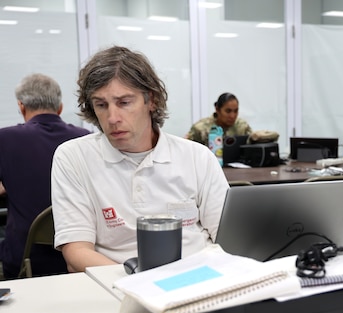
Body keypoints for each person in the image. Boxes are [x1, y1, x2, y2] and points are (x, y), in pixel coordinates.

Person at [51, 46, 229, 273]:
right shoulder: (73, 157)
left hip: (196, 281)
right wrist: (139, 281)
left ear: (151, 100)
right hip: (115, 284)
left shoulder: (197, 157)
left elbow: (227, 239)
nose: (112, 118)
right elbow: (76, 253)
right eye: (101, 105)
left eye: (124, 102)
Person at [0, 74, 89, 279]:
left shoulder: (5, 139)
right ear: (60, 108)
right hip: (81, 259)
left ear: (21, 107)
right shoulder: (85, 140)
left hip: (25, 261)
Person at [186, 92, 253, 146]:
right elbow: (187, 150)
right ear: (217, 109)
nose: (232, 116)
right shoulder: (200, 128)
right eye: (228, 111)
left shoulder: (242, 126)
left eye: (235, 111)